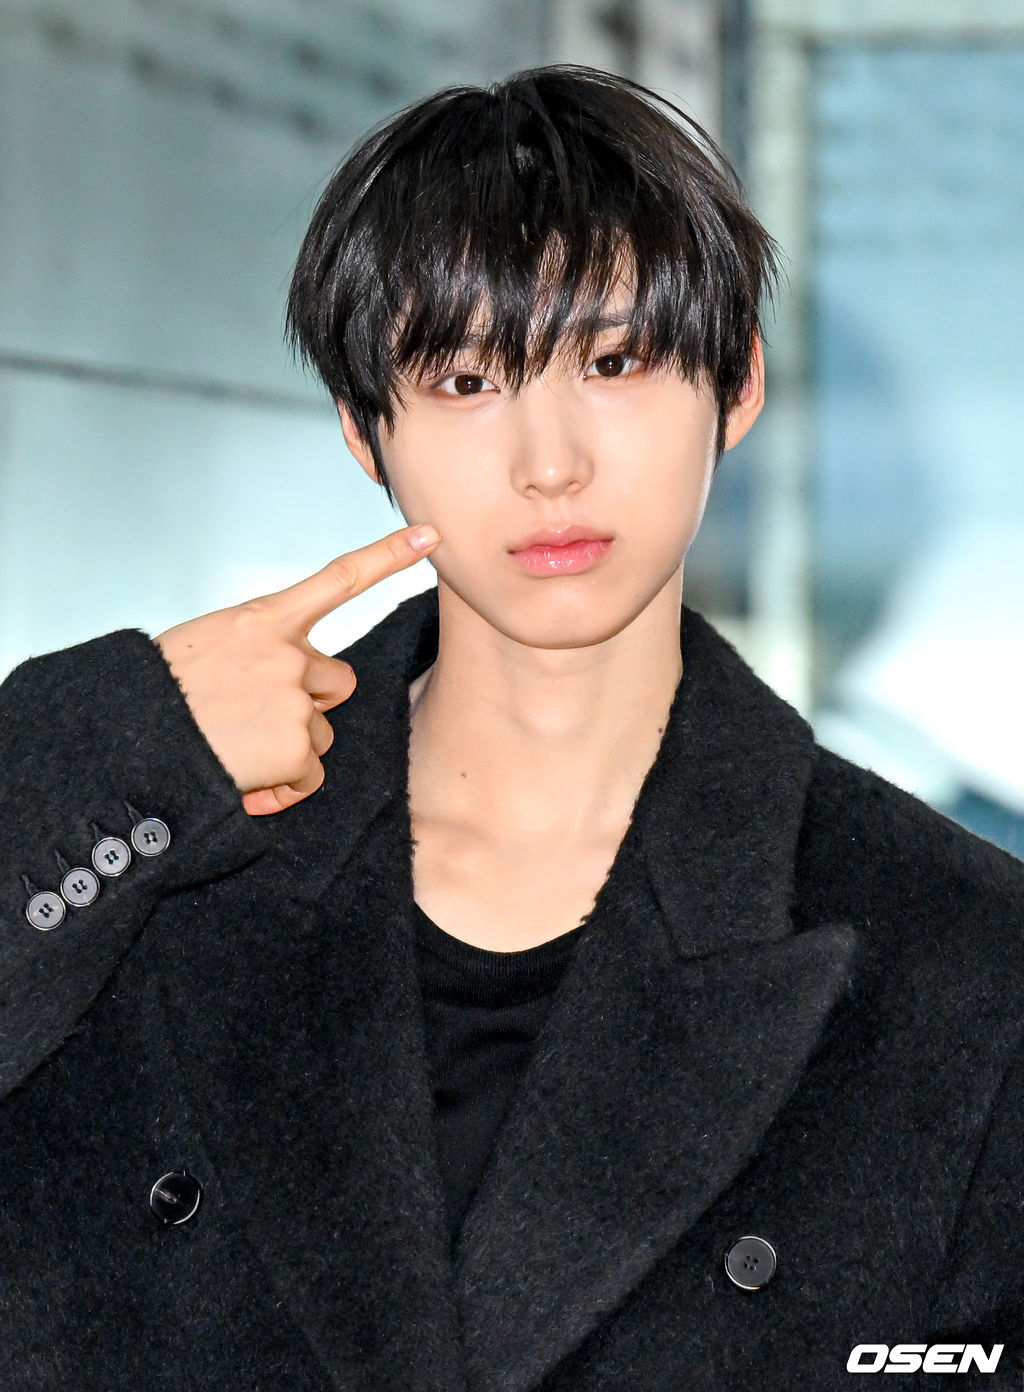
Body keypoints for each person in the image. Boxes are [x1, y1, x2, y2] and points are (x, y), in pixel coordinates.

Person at [1, 63, 1022, 1392]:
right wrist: (122, 752)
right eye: (469, 378)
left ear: (736, 387)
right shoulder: (139, 862)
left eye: (615, 362)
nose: (551, 463)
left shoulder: (962, 958)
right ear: (366, 432)